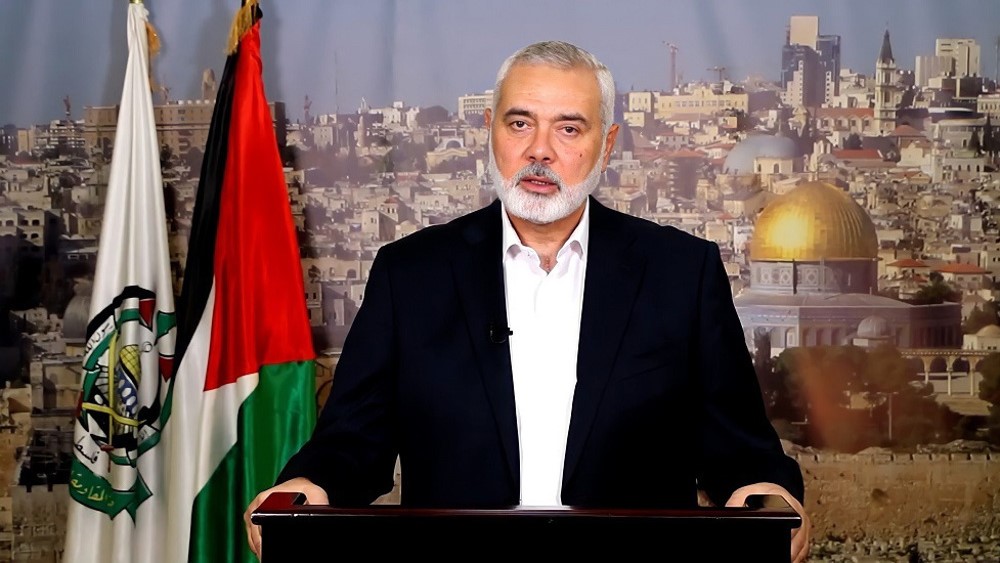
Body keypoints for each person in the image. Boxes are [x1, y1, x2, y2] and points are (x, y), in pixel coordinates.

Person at [245, 40, 809, 562]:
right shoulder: (410, 275)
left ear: (607, 145)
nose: (540, 150)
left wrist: (767, 496)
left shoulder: (682, 274)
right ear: (489, 131)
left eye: (569, 129)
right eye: (520, 123)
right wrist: (306, 488)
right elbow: (352, 442)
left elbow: (740, 451)